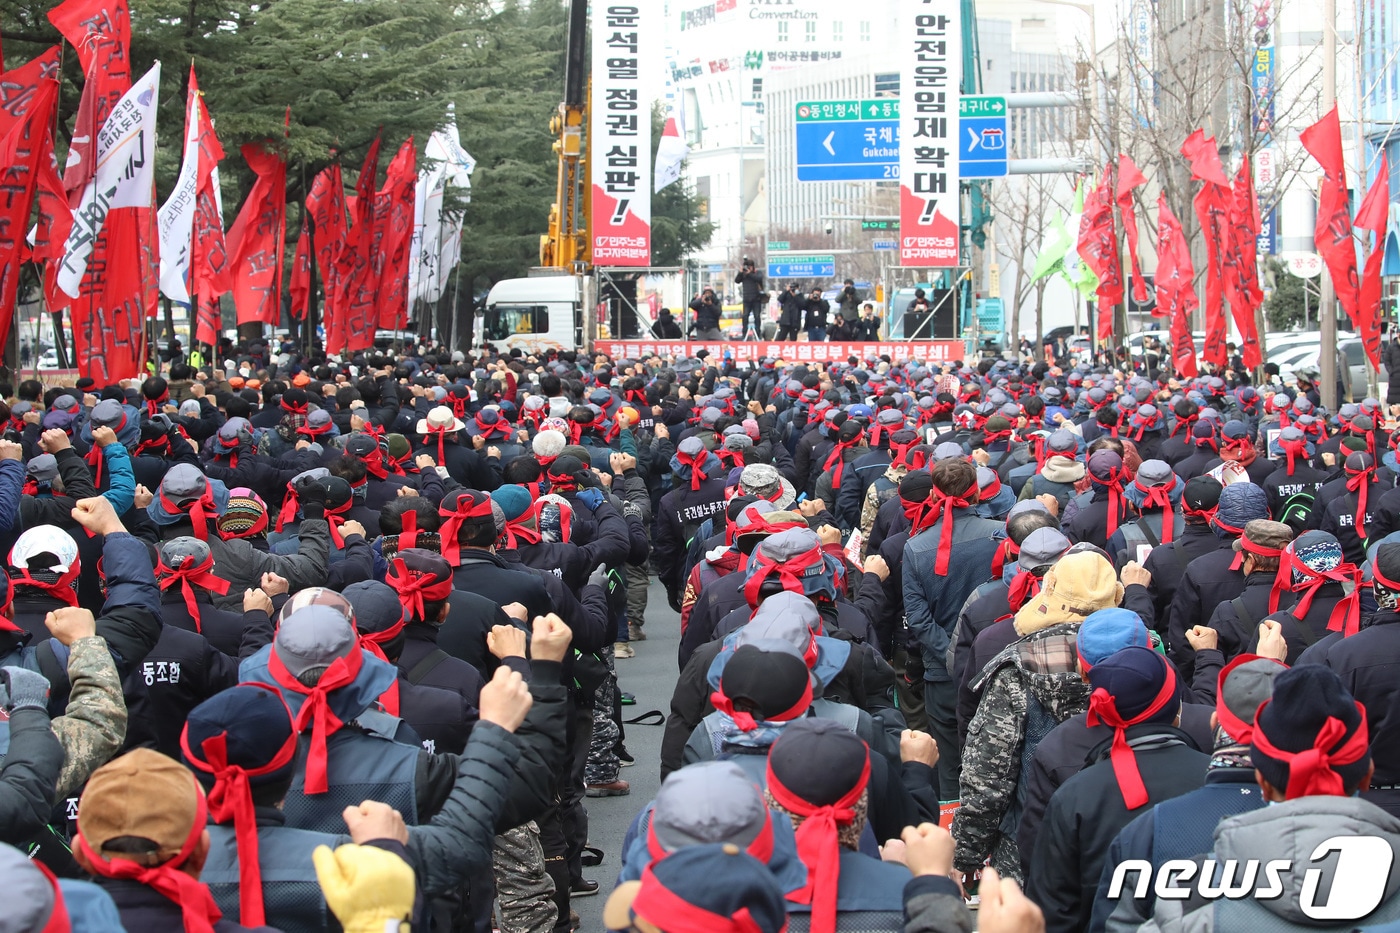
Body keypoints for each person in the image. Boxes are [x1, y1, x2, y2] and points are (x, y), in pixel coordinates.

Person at [735, 259, 766, 339]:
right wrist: (741, 272)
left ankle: (757, 334)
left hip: (756, 299)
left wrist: (750, 274)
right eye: (747, 266)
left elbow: (759, 279)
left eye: (749, 267)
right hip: (746, 300)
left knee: (757, 317)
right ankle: (744, 334)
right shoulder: (743, 274)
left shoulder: (757, 273)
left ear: (752, 267)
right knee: (745, 316)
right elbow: (737, 281)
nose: (748, 268)